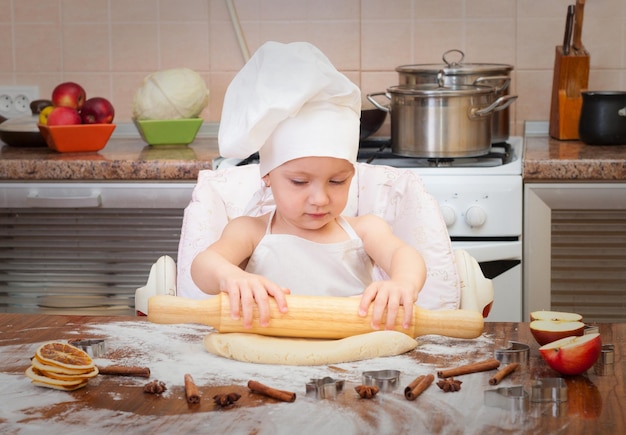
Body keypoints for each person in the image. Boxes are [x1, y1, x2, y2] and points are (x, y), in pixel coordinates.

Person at [190, 41, 427, 332]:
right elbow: (204, 265)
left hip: (354, 357)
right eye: (300, 182)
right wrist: (230, 277)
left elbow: (404, 255)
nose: (320, 199)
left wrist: (403, 283)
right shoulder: (250, 232)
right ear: (267, 176)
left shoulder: (365, 231)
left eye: (337, 181)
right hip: (266, 361)